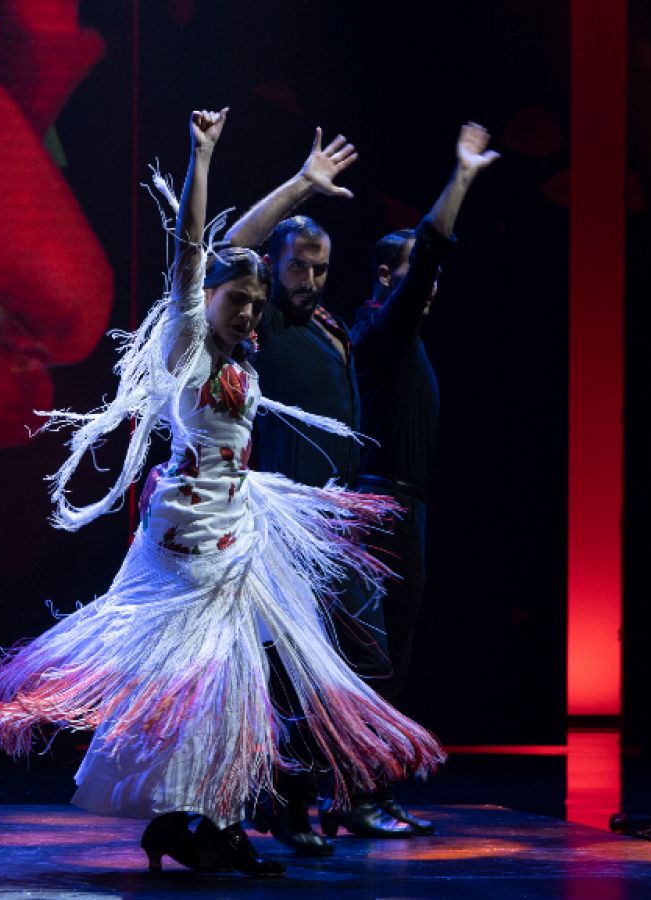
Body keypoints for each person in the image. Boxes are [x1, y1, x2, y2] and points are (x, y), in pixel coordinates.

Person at [0, 108, 443, 878]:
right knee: (198, 682)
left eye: (259, 304)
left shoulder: (244, 353)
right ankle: (182, 819)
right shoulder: (190, 344)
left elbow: (243, 260)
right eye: (242, 299)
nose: (253, 310)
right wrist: (203, 156)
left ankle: (217, 820)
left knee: (236, 682)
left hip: (239, 528)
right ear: (211, 300)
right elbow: (200, 252)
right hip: (190, 541)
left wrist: (303, 185)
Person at [224, 128, 421, 844]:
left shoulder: (332, 324)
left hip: (336, 527)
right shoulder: (261, 320)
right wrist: (303, 184)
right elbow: (229, 250)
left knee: (365, 657)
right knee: (284, 670)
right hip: (282, 529)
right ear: (273, 269)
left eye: (321, 269)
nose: (310, 280)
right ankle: (291, 801)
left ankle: (348, 793)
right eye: (300, 267)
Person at [349, 124, 499, 827]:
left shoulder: (397, 343)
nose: (428, 285)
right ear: (388, 277)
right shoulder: (380, 333)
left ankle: (364, 789)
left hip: (402, 508)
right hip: (379, 507)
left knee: (391, 659)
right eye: (414, 272)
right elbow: (432, 249)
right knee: (374, 661)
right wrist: (462, 176)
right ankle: (356, 791)